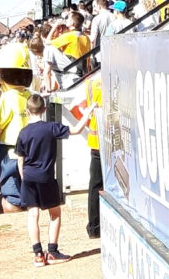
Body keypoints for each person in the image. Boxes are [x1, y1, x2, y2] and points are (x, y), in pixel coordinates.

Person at [15, 93, 89, 266]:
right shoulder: (51, 128)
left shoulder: (23, 133)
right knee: (54, 214)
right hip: (46, 178)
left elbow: (20, 159)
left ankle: (38, 255)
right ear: (45, 109)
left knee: (33, 215)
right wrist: (89, 111)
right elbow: (77, 129)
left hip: (29, 177)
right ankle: (53, 251)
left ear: (27, 111)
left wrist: (24, 178)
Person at [0, 42, 33, 212]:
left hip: (8, 148)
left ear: (0, 77)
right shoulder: (29, 95)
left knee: (7, 192)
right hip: (28, 147)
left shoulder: (7, 97)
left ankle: (14, 203)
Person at [81, 73, 103, 239]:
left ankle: (94, 227)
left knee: (95, 185)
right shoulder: (121, 74)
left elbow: (83, 107)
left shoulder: (90, 83)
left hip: (96, 141)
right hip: (116, 142)